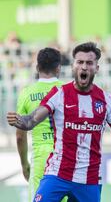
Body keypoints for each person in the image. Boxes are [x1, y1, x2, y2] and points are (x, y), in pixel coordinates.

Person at [7, 42, 111, 202]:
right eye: (80, 62)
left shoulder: (106, 100)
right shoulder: (59, 94)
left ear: (96, 68)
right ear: (73, 66)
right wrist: (22, 121)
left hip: (89, 180)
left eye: (89, 63)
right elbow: (32, 120)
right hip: (57, 175)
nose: (84, 67)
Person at [15, 47, 67, 202]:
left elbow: (20, 136)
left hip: (40, 160)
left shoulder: (26, 93)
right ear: (58, 68)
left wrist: (24, 165)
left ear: (37, 68)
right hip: (66, 157)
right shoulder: (67, 90)